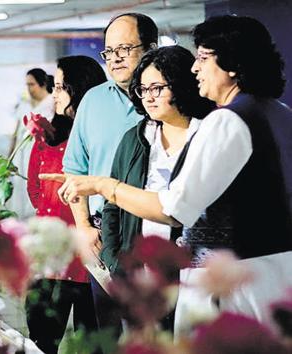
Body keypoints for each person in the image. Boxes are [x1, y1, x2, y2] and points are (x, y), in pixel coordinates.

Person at [44, 15, 292, 337]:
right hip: (277, 273)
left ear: (231, 64)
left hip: (232, 283)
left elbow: (174, 209)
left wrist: (103, 184)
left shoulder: (227, 121)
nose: (195, 68)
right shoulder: (279, 112)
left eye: (203, 58)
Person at [60, 13, 158, 334]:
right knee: (108, 329)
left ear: (151, 48)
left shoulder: (171, 99)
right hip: (105, 232)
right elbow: (74, 167)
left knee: (156, 328)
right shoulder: (93, 100)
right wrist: (84, 226)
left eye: (124, 50)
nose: (115, 60)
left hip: (157, 227)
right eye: (109, 52)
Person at [100, 46, 215, 277]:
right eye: (143, 89)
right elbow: (112, 206)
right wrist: (113, 259)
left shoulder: (208, 136)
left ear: (181, 86)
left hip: (194, 275)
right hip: (136, 276)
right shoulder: (134, 139)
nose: (149, 98)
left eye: (157, 88)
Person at [26, 56, 106, 354]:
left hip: (91, 255)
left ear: (81, 89)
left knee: (92, 341)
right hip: (51, 255)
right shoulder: (47, 134)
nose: (54, 94)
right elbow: (34, 184)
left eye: (61, 87)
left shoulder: (102, 136)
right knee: (41, 339)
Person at [8, 68, 55, 219]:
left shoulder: (52, 103)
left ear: (42, 84)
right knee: (19, 191)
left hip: (39, 155)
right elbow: (16, 133)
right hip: (20, 154)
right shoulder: (25, 105)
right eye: (27, 84)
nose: (28, 88)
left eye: (32, 84)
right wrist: (9, 157)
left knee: (35, 189)